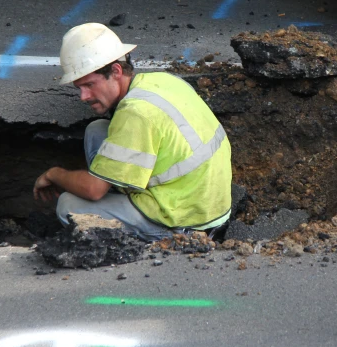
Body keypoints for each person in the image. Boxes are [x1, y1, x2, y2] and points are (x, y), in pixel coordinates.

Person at [33, 22, 232, 241]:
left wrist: (54, 174)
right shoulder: (161, 81)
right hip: (205, 198)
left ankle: (130, 241)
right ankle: (118, 198)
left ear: (116, 71)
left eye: (89, 85)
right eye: (78, 87)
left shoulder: (136, 113)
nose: (83, 96)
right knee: (97, 130)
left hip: (186, 221)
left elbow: (93, 190)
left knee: (68, 205)